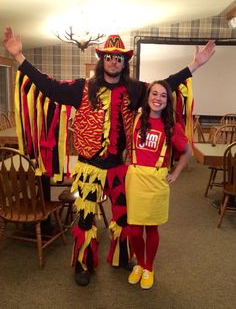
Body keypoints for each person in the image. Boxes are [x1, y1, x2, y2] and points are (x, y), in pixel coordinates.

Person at [2, 27, 215, 286]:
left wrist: (195, 65)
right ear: (102, 59)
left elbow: (165, 86)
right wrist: (19, 57)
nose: (114, 61)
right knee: (86, 219)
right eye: (110, 57)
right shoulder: (82, 89)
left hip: (118, 169)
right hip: (89, 168)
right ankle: (83, 264)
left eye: (119, 58)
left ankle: (122, 257)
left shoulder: (136, 91)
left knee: (125, 217)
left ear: (125, 63)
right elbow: (48, 86)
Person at [126, 80, 192, 290]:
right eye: (154, 93)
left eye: (163, 95)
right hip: (135, 179)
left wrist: (176, 173)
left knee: (151, 227)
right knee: (135, 230)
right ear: (148, 97)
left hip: (156, 182)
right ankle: (139, 262)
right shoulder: (136, 120)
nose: (158, 98)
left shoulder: (171, 126)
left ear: (168, 100)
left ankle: (149, 267)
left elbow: (187, 152)